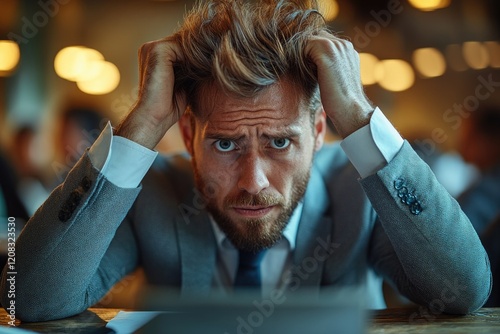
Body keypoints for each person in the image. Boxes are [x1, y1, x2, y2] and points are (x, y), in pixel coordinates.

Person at [0, 0, 491, 322]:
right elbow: (27, 295)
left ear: (319, 132)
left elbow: (466, 289)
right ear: (189, 135)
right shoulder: (153, 194)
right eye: (225, 144)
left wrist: (361, 120)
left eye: (280, 143)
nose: (253, 182)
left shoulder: (360, 194)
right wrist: (142, 127)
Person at [457, 105, 500, 235]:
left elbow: (455, 234)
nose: (461, 145)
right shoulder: (486, 180)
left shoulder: (491, 189)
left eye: (469, 137)